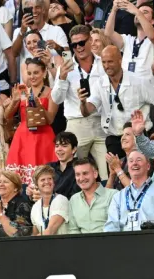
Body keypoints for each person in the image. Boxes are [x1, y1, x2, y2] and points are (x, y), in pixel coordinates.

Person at [52, 25, 107, 178]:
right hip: (76, 123)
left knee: (105, 173)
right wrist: (62, 78)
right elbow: (57, 98)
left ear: (90, 41)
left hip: (99, 122)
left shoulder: (103, 63)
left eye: (82, 43)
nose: (78, 47)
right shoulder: (66, 67)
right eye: (74, 45)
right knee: (74, 173)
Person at [5, 57, 58, 186]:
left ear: (44, 73)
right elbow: (8, 116)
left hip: (43, 136)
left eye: (36, 73)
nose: (32, 76)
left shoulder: (51, 92)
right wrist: (14, 101)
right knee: (19, 181)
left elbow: (50, 119)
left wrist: (38, 104)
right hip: (23, 137)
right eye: (29, 73)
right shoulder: (22, 92)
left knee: (44, 176)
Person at [104, 149, 154, 231]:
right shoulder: (118, 197)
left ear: (148, 166)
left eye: (139, 160)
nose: (134, 163)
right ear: (128, 167)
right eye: (131, 161)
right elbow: (111, 227)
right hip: (126, 241)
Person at [66, 157, 115, 233]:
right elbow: (73, 230)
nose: (81, 178)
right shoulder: (73, 200)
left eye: (85, 173)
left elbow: (116, 227)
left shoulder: (113, 195)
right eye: (77, 174)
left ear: (95, 174)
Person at [30, 164, 69, 235]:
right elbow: (34, 234)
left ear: (54, 182)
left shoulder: (61, 200)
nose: (47, 182)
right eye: (42, 180)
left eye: (49, 179)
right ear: (36, 184)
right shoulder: (35, 207)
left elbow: (50, 231)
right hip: (43, 245)